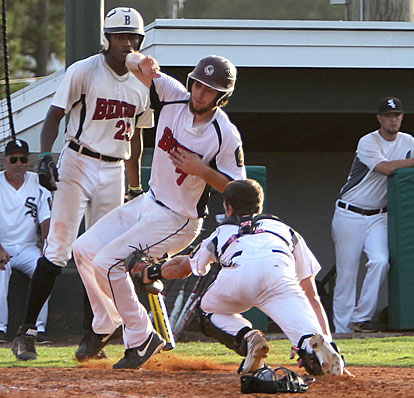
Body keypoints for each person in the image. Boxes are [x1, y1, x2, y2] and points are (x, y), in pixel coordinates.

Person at [71, 54, 246, 369]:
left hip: (178, 219)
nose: (200, 93)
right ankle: (106, 321)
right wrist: (143, 61)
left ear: (222, 97)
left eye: (210, 90)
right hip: (149, 202)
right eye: (198, 84)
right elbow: (127, 61)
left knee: (109, 262)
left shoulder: (224, 133)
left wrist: (202, 171)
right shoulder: (175, 94)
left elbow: (239, 189)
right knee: (83, 249)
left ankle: (141, 336)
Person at [11, 7, 159, 361]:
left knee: (100, 254)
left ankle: (94, 334)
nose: (127, 43)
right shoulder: (84, 70)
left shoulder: (143, 81)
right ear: (106, 40)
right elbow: (53, 116)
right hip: (77, 161)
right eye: (120, 37)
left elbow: (136, 141)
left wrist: (136, 186)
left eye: (133, 38)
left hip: (114, 168)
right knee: (59, 248)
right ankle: (25, 333)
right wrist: (46, 156)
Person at [134, 179, 344, 375]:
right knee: (307, 338)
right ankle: (315, 346)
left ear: (228, 207)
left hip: (237, 276)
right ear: (259, 206)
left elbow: (183, 268)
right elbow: (311, 295)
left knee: (208, 311)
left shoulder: (220, 232)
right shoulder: (285, 229)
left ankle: (248, 338)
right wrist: (328, 340)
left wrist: (152, 272)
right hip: (278, 276)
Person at [332, 97, 414, 334]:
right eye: (389, 115)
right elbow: (386, 168)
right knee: (347, 273)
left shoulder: (409, 141)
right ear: (380, 118)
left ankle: (361, 318)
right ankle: (342, 331)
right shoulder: (368, 141)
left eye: (397, 115)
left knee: (380, 261)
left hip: (379, 215)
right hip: (350, 211)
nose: (393, 119)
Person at [0, 140, 51, 345]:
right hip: (2, 246)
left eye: (23, 159)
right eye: (14, 159)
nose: (19, 163)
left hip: (29, 246)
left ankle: (37, 329)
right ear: (5, 160)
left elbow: (46, 219)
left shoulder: (38, 182)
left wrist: (48, 247)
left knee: (44, 268)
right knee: (0, 272)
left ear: (28, 160)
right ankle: (1, 328)